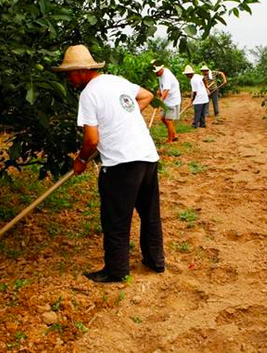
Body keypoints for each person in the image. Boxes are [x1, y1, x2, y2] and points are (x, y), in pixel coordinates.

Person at [54, 44, 165, 283]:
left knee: (115, 218)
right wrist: (122, 118)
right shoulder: (117, 81)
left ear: (84, 71)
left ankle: (116, 271)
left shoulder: (88, 94)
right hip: (147, 157)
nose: (69, 78)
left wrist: (81, 160)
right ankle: (155, 261)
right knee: (150, 214)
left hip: (121, 164)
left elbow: (91, 140)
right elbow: (147, 95)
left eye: (71, 73)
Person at [153, 62, 181, 143]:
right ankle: (174, 134)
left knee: (168, 120)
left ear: (161, 69)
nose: (156, 74)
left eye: (157, 72)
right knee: (163, 118)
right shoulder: (159, 74)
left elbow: (166, 91)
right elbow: (162, 86)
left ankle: (170, 140)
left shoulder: (167, 76)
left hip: (172, 100)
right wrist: (159, 90)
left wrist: (159, 102)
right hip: (166, 100)